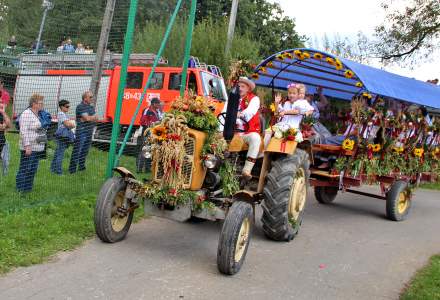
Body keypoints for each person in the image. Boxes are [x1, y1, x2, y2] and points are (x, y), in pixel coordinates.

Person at [16, 94, 46, 192]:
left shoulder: (39, 114)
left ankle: (28, 189)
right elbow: (23, 131)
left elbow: (40, 129)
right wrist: (27, 146)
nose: (42, 104)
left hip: (37, 148)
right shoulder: (26, 114)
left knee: (33, 169)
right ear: (34, 104)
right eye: (40, 103)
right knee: (25, 168)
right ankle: (20, 189)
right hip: (29, 148)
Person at [235, 77, 261, 180]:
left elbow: (249, 112)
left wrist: (238, 114)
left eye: (242, 86)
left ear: (248, 89)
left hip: (246, 133)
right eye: (238, 86)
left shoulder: (254, 99)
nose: (240, 88)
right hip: (232, 132)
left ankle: (246, 170)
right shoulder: (232, 98)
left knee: (255, 138)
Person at [69, 91, 98, 173]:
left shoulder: (91, 107)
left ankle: (81, 167)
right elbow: (87, 118)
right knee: (77, 150)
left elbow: (96, 118)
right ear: (85, 98)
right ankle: (72, 170)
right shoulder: (80, 106)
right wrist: (89, 118)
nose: (92, 99)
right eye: (90, 97)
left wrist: (88, 118)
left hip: (89, 131)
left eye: (92, 97)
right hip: (82, 131)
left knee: (85, 151)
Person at [137, 98, 163, 173]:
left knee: (150, 150)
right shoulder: (147, 110)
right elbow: (142, 121)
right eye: (158, 103)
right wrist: (150, 125)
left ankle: (147, 169)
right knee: (144, 150)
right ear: (154, 104)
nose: (159, 105)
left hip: (154, 133)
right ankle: (139, 169)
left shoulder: (157, 111)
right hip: (147, 133)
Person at [51, 100, 75, 175]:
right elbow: (68, 124)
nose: (68, 108)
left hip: (62, 136)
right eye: (67, 106)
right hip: (62, 136)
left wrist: (70, 124)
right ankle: (58, 171)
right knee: (60, 154)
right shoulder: (61, 114)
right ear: (62, 107)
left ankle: (53, 169)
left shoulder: (64, 114)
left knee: (57, 153)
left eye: (69, 106)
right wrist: (72, 124)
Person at [0, 103, 11, 174]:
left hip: (2, 141)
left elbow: (9, 125)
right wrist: (4, 125)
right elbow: (2, 127)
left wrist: (3, 112)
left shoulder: (1, 113)